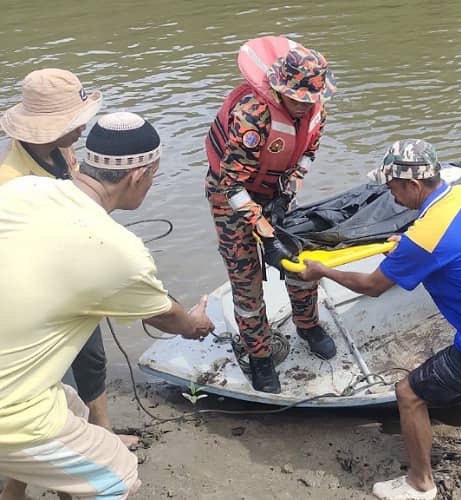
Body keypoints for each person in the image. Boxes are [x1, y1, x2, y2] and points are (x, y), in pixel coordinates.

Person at [298, 139, 461, 500]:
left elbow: (372, 286)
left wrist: (322, 271)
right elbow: (451, 241)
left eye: (393, 188)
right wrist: (411, 242)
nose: (391, 196)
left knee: (409, 393)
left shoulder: (425, 237)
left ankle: (420, 483)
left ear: (413, 185)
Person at [0, 112, 214, 499]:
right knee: (116, 474)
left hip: (19, 380)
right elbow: (166, 314)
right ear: (138, 175)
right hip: (9, 411)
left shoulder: (22, 190)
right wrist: (195, 323)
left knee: (72, 410)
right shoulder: (118, 250)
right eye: (154, 177)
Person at [0, 69, 135, 500]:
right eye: (76, 119)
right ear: (48, 126)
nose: (84, 125)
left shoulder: (63, 150)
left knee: (91, 356)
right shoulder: (12, 179)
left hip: (70, 277)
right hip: (40, 292)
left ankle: (100, 432)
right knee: (45, 381)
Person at [205, 36, 337, 394]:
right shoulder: (252, 115)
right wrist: (265, 234)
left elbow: (307, 155)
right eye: (297, 99)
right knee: (245, 280)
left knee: (299, 259)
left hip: (275, 194)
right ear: (279, 89)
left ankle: (307, 325)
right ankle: (260, 356)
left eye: (310, 99)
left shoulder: (316, 110)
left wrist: (286, 197)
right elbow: (231, 185)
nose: (303, 106)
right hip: (231, 197)